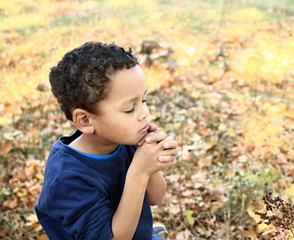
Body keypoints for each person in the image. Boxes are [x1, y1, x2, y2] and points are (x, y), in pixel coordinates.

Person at [35, 41, 178, 240]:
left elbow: (157, 197)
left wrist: (151, 162)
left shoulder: (125, 140)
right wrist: (139, 172)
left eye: (143, 101)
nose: (144, 113)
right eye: (130, 108)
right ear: (85, 120)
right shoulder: (67, 178)